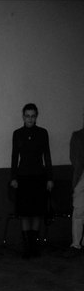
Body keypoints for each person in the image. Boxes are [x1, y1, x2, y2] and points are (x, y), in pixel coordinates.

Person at [10, 103, 53, 258]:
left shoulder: (42, 133)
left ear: (36, 117)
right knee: (25, 213)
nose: (30, 118)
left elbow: (47, 156)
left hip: (39, 177)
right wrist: (13, 177)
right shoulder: (17, 133)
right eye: (27, 116)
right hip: (23, 177)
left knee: (37, 213)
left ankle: (34, 246)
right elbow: (14, 156)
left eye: (33, 116)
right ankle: (27, 247)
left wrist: (50, 178)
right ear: (23, 116)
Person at [64, 110, 84, 257]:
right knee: (78, 210)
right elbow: (74, 158)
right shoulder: (77, 136)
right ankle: (76, 243)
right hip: (81, 175)